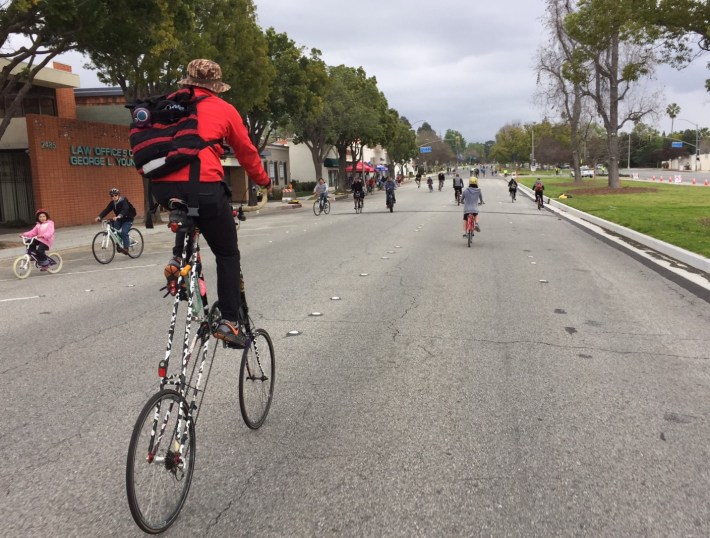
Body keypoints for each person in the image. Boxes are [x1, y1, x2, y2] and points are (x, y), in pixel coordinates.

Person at [150, 59, 271, 348]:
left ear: (187, 81)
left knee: (185, 208)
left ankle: (178, 259)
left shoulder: (168, 104)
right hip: (204, 187)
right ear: (216, 86)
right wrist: (264, 181)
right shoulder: (224, 109)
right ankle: (229, 321)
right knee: (228, 254)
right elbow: (247, 152)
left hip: (162, 187)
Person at [95, 188, 134, 254]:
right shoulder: (112, 203)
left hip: (128, 219)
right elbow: (106, 210)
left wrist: (119, 216)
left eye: (115, 195)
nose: (114, 197)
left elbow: (125, 209)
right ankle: (119, 244)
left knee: (124, 232)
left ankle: (126, 248)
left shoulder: (124, 200)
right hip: (119, 219)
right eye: (112, 196)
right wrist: (100, 217)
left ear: (118, 195)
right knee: (113, 229)